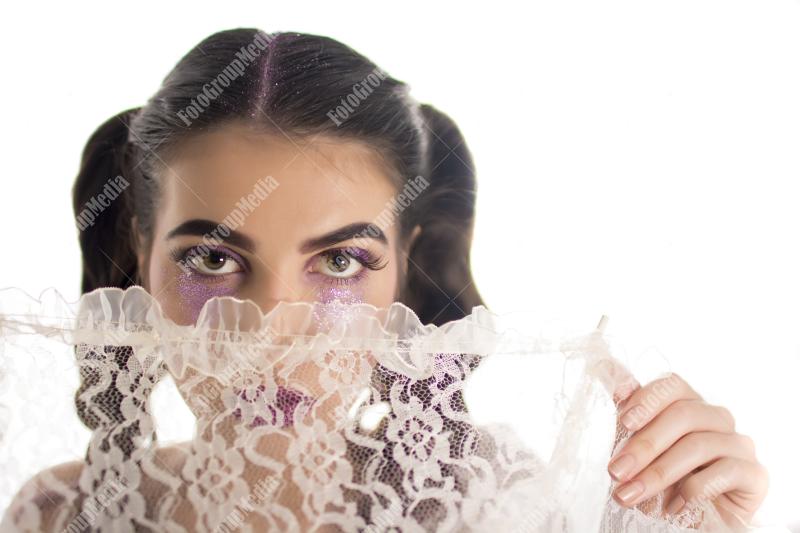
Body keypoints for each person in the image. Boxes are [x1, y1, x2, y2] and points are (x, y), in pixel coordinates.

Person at [1, 29, 767, 531]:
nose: (271, 332)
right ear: (138, 255)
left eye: (339, 261)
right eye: (212, 258)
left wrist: (706, 524)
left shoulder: (500, 510)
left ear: (403, 267)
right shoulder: (58, 515)